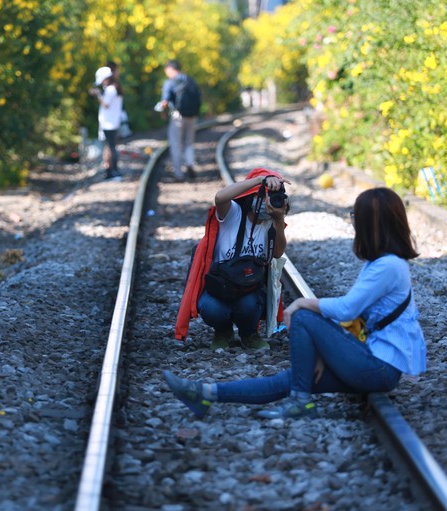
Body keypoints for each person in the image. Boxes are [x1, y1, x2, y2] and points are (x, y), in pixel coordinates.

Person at [166, 187, 426, 419]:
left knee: (303, 316)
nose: (354, 222)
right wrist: (326, 354)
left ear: (372, 225)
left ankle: (301, 402)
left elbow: (348, 309)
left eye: (356, 217)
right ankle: (205, 393)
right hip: (370, 359)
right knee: (291, 379)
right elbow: (356, 318)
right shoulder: (382, 263)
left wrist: (302, 304)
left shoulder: (388, 267)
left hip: (379, 366)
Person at [175, 168, 291, 351]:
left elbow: (277, 253)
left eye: (273, 196)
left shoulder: (271, 223)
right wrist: (259, 181)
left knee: (250, 305)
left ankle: (249, 334)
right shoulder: (234, 214)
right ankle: (223, 331)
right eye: (265, 195)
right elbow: (220, 197)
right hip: (221, 284)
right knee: (212, 309)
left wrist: (278, 219)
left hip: (250, 287)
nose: (267, 202)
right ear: (252, 196)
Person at [159, 59, 200, 180]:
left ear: (170, 69)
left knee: (176, 144)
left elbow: (165, 101)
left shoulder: (170, 82)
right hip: (191, 116)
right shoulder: (190, 80)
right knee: (189, 143)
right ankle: (190, 163)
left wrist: (162, 111)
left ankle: (178, 174)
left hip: (178, 116)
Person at [91, 66, 123, 180]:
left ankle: (114, 172)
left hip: (109, 124)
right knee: (110, 148)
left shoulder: (110, 90)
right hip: (111, 123)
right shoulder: (113, 88)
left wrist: (98, 95)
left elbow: (106, 104)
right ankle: (110, 171)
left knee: (111, 147)